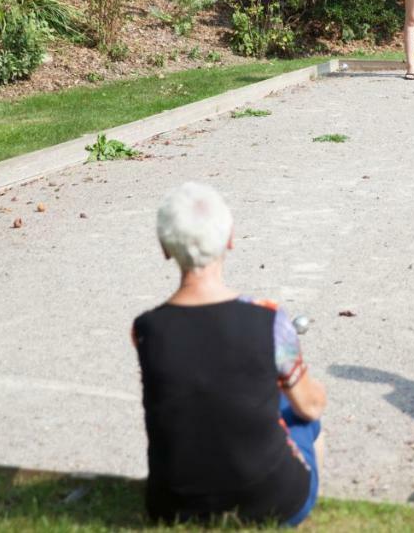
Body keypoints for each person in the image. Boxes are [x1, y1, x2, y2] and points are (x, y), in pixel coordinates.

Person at [132, 182, 327, 525]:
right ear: (231, 238)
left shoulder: (145, 329)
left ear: (165, 247)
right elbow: (310, 405)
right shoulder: (270, 320)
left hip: (172, 506)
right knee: (302, 413)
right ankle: (305, 499)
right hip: (274, 502)